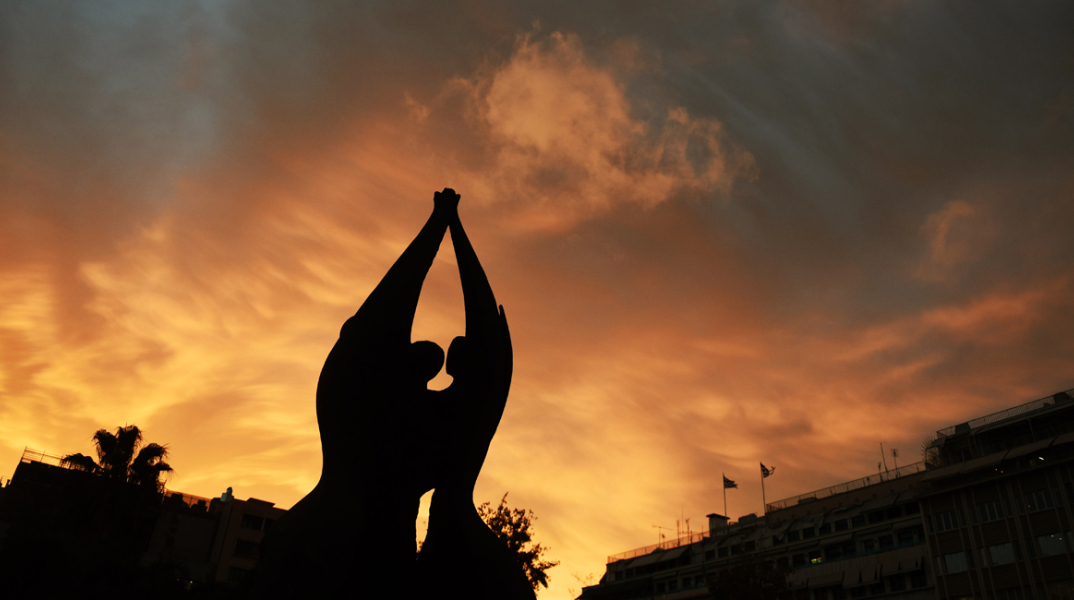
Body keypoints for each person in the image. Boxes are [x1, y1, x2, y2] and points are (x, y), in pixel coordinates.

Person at [253, 189, 531, 599]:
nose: (437, 354)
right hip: (376, 538)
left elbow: (398, 306)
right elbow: (399, 302)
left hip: (383, 541)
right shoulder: (429, 415)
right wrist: (445, 224)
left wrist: (445, 222)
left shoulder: (416, 413)